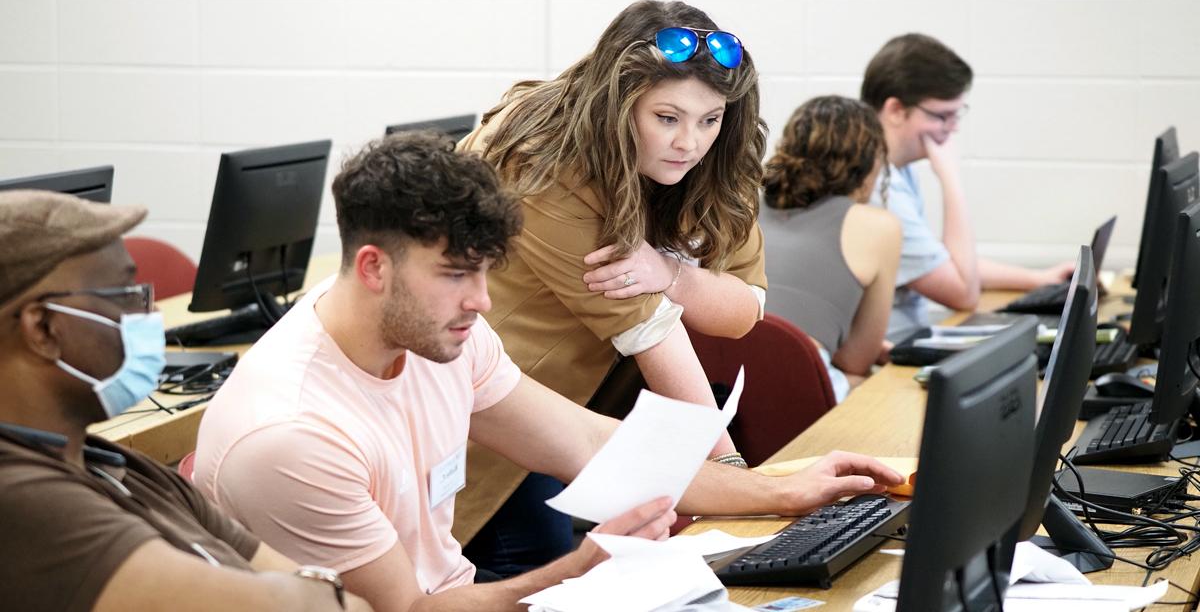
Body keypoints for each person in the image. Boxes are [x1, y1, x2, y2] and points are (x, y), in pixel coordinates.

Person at [193, 132, 904, 612]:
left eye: (485, 273)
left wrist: (780, 493)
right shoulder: (292, 434)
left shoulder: (438, 334)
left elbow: (591, 446)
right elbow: (411, 611)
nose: (483, 301)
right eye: (456, 276)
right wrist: (577, 570)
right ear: (373, 268)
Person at [457, 0, 768, 575]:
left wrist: (670, 273)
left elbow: (745, 309)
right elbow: (653, 334)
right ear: (617, 101)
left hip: (560, 415)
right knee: (524, 576)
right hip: (478, 424)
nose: (689, 144)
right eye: (667, 118)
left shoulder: (705, 159)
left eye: (710, 119)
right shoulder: (541, 162)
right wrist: (744, 491)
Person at [0, 190, 370, 612]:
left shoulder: (122, 469)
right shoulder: (20, 501)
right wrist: (315, 590)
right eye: (126, 294)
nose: (152, 313)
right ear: (43, 328)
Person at [861, 33, 1074, 341]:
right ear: (895, 110)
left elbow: (940, 264)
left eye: (956, 115)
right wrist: (950, 178)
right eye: (942, 116)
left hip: (905, 337)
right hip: (887, 357)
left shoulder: (897, 171)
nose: (953, 128)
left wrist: (1040, 280)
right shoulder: (880, 189)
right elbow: (963, 292)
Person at [760, 95, 901, 401]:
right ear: (870, 162)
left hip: (713, 379)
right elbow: (855, 361)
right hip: (796, 385)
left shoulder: (741, 202)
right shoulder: (878, 226)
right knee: (868, 383)